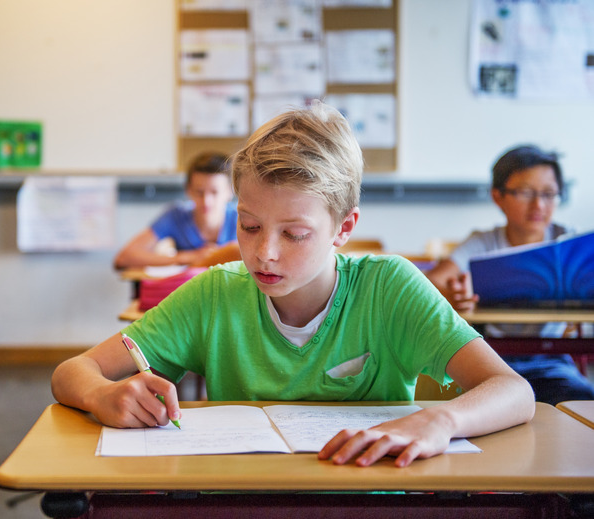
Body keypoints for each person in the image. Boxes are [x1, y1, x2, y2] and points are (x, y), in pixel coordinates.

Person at [52, 102, 534, 468]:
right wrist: (100, 394)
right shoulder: (215, 293)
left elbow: (514, 391)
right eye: (249, 226)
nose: (265, 253)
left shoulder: (389, 288)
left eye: (295, 234)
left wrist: (441, 419)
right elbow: (73, 370)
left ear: (344, 228)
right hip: (245, 495)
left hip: (369, 495)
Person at [426, 144, 594, 405]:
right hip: (492, 357)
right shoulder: (483, 242)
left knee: (582, 399)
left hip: (552, 360)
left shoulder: (570, 240)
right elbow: (433, 280)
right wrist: (454, 293)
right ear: (498, 196)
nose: (539, 204)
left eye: (549, 194)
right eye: (525, 193)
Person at [113, 152, 238, 269]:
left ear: (230, 191)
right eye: (199, 192)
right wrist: (189, 257)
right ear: (188, 190)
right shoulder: (176, 216)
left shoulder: (242, 219)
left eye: (214, 192)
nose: (206, 201)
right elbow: (125, 257)